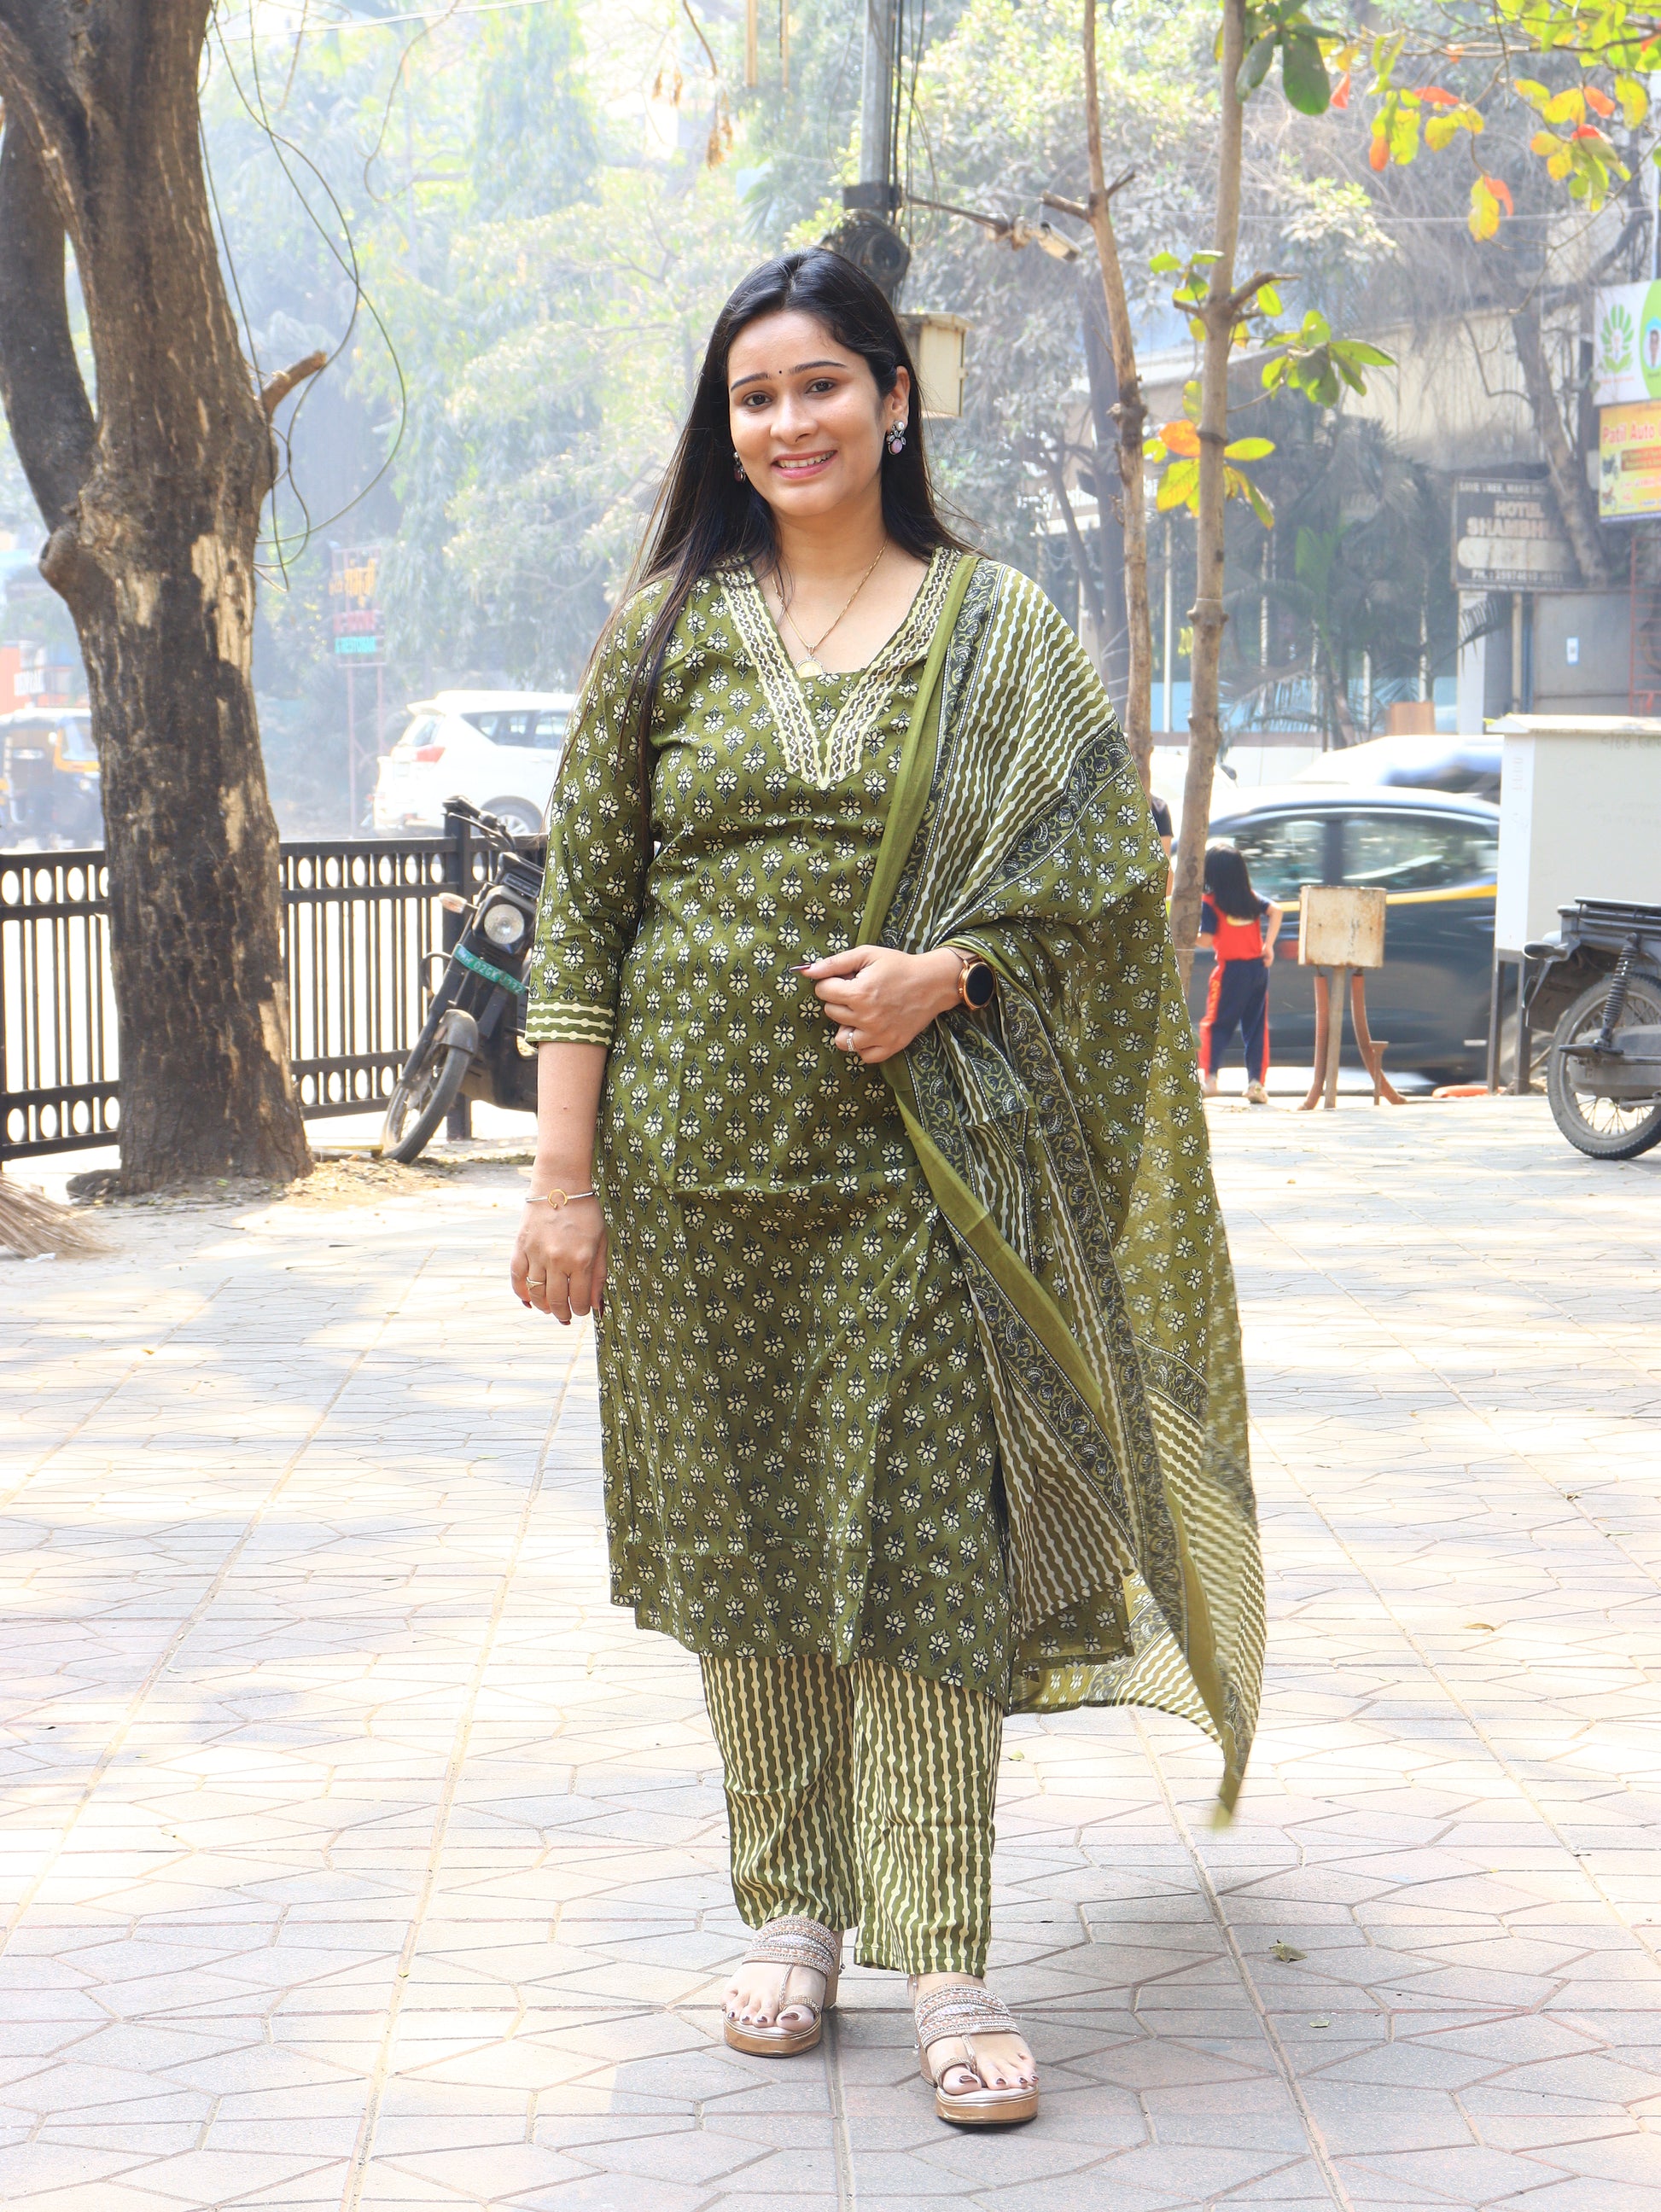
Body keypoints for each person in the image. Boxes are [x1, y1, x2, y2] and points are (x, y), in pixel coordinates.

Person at [510, 247, 1262, 2132]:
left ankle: (943, 1956)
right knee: (750, 1552)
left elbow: (1101, 877)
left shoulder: (996, 629)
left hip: (923, 1181)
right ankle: (789, 1911)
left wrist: (951, 971)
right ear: (726, 426)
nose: (788, 424)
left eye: (820, 386)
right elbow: (582, 921)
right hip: (691, 1191)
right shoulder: (664, 635)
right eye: (754, 398)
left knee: (923, 1556)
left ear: (893, 399)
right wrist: (562, 1186)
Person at [1197, 842, 1283, 1105]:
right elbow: (1277, 910)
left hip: (1230, 972)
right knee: (1255, 1028)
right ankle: (1256, 1084)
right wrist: (1268, 946)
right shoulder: (1251, 898)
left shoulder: (1211, 903)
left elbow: (1206, 940)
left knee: (1216, 1025)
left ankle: (1210, 1080)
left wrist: (1183, 935)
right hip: (1258, 970)